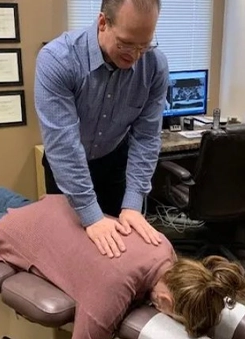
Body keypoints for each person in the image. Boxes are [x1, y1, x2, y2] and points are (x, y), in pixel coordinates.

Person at [0, 170, 245, 339]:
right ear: (167, 303)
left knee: (21, 204)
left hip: (64, 210)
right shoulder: (111, 292)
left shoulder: (164, 246)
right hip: (30, 233)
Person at [34, 0, 169, 259]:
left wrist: (132, 204)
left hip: (113, 161)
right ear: (103, 23)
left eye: (145, 45)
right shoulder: (57, 60)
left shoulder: (154, 66)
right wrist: (90, 214)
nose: (136, 55)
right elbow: (64, 146)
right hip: (66, 166)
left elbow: (146, 138)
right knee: (68, 252)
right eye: (127, 43)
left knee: (120, 249)